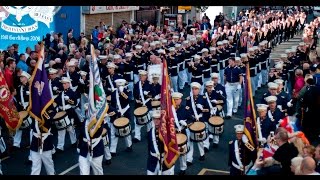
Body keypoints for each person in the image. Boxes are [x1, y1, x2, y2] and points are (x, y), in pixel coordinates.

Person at [185, 82, 210, 165]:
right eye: (193, 89)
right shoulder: (188, 99)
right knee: (189, 140)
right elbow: (187, 110)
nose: (194, 90)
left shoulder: (203, 98)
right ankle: (189, 159)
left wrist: (202, 109)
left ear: (199, 90)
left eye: (196, 89)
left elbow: (208, 109)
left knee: (199, 139)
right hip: (191, 121)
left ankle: (202, 154)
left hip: (200, 119)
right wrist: (192, 117)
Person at [171, 92, 194, 175]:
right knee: (171, 152)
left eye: (177, 99)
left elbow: (191, 120)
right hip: (172, 133)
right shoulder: (169, 110)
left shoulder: (185, 109)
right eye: (174, 99)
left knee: (182, 152)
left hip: (182, 132)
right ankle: (170, 168)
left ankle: (183, 168)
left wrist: (186, 123)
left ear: (180, 100)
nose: (176, 101)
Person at [147, 110, 175, 175]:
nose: (156, 121)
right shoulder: (150, 132)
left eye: (158, 119)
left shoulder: (168, 133)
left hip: (165, 160)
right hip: (153, 161)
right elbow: (149, 147)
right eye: (154, 119)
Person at [109, 79, 133, 156]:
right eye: (118, 85)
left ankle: (129, 145)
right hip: (116, 114)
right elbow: (111, 105)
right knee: (113, 133)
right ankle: (112, 150)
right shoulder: (113, 93)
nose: (119, 87)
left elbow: (129, 100)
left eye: (120, 85)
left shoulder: (128, 91)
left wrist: (123, 94)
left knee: (127, 131)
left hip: (125, 113)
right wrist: (113, 111)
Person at [54, 77, 77, 152]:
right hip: (61, 112)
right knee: (61, 129)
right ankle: (60, 146)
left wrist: (69, 100)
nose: (63, 85)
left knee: (70, 128)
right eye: (62, 83)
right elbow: (56, 101)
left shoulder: (72, 92)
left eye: (64, 83)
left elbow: (75, 103)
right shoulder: (61, 92)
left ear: (68, 84)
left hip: (69, 111)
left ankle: (74, 141)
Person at [133, 70, 152, 143]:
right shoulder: (137, 84)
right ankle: (137, 136)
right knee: (136, 121)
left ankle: (149, 132)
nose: (140, 77)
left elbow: (152, 94)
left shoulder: (149, 84)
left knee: (149, 121)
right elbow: (135, 93)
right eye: (140, 76)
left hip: (147, 104)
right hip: (138, 105)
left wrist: (147, 95)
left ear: (146, 76)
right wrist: (136, 99)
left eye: (142, 76)